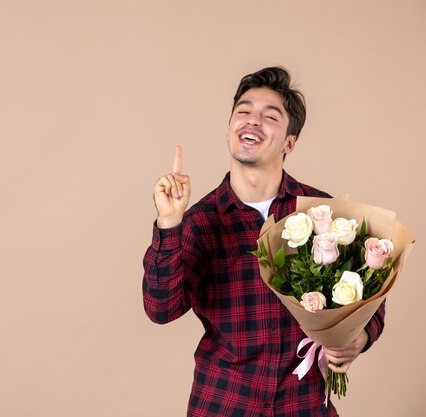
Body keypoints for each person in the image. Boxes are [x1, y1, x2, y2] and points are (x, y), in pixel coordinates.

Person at [142, 67, 384, 417]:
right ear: (229, 131)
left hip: (304, 405)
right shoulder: (198, 220)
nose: (253, 120)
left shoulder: (323, 213)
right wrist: (169, 221)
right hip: (224, 404)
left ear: (289, 142)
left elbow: (369, 293)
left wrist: (359, 339)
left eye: (270, 116)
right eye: (243, 111)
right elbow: (160, 309)